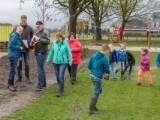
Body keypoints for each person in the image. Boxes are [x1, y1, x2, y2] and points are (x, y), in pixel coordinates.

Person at [46, 32, 72, 97]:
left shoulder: (65, 44)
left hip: (63, 62)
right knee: (57, 77)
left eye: (59, 37)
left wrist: (70, 60)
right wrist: (48, 59)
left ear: (61, 37)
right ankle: (61, 86)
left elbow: (69, 52)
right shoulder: (54, 43)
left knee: (61, 76)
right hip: (55, 62)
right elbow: (52, 51)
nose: (57, 39)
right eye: (56, 37)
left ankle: (60, 91)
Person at [88, 44, 110, 115]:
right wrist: (107, 72)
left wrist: (94, 70)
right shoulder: (104, 59)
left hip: (92, 75)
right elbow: (106, 69)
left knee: (99, 90)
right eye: (107, 51)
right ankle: (91, 109)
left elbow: (89, 66)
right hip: (97, 77)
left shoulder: (93, 56)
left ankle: (93, 106)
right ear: (105, 50)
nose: (107, 52)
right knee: (97, 92)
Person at [17, 15, 34, 84]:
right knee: (18, 65)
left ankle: (27, 78)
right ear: (20, 20)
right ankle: (19, 77)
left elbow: (32, 38)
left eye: (24, 20)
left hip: (26, 49)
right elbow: (13, 36)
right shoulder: (17, 28)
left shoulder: (29, 28)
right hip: (19, 49)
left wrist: (31, 46)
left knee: (27, 64)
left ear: (26, 20)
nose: (23, 21)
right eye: (22, 20)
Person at [34, 21, 50, 91]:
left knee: (39, 70)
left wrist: (39, 39)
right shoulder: (37, 33)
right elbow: (36, 42)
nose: (37, 28)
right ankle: (44, 83)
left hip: (42, 53)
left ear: (42, 25)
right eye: (36, 27)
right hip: (37, 52)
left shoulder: (45, 32)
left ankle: (39, 86)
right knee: (41, 69)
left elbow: (48, 41)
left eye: (38, 26)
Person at [8, 26, 23, 91]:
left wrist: (19, 56)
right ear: (16, 29)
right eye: (20, 31)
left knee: (13, 70)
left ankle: (10, 83)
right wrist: (19, 48)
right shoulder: (14, 36)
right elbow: (11, 45)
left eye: (21, 31)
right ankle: (10, 85)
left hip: (15, 55)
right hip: (12, 55)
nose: (20, 32)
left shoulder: (17, 36)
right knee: (13, 70)